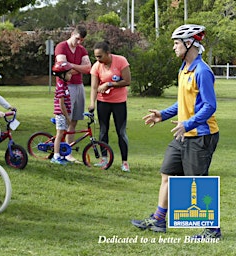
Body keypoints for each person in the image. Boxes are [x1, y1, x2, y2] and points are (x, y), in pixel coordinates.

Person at [132, 24, 220, 239]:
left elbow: (210, 106)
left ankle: (212, 230)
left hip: (201, 135)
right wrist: (163, 114)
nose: (174, 47)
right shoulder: (184, 69)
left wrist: (188, 124)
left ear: (189, 43)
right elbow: (183, 101)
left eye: (177, 43)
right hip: (183, 134)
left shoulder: (202, 71)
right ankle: (159, 220)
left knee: (197, 182)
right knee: (168, 174)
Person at [89, 41, 131, 172]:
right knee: (103, 130)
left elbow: (127, 81)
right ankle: (104, 159)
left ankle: (124, 162)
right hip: (103, 102)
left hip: (119, 103)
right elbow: (94, 87)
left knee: (121, 131)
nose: (98, 59)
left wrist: (109, 84)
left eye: (100, 56)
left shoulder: (121, 61)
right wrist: (92, 103)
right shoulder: (96, 66)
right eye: (96, 56)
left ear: (108, 53)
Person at [54, 25, 92, 163]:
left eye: (81, 40)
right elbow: (61, 67)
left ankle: (68, 151)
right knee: (65, 119)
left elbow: (88, 68)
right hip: (66, 86)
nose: (79, 42)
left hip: (78, 85)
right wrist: (73, 68)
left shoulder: (82, 50)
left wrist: (70, 67)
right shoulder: (61, 47)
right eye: (77, 39)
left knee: (75, 119)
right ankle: (59, 151)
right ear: (72, 34)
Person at [50, 61, 74, 165]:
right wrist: (67, 117)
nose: (71, 75)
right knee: (59, 134)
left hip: (64, 114)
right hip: (61, 114)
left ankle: (61, 154)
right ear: (62, 75)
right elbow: (61, 104)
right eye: (69, 73)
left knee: (62, 134)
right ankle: (55, 156)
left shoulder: (64, 84)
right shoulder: (60, 86)